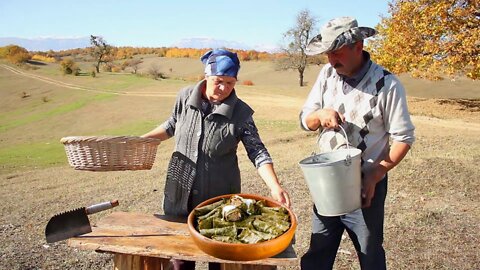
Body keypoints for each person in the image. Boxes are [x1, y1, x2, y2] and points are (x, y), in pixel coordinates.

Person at [142, 49, 291, 270]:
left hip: (220, 204)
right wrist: (140, 141)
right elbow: (171, 125)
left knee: (220, 261)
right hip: (180, 196)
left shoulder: (241, 114)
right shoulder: (184, 97)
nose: (224, 89)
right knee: (180, 260)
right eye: (218, 81)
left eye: (230, 83)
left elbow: (257, 151)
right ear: (206, 76)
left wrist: (275, 186)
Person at [299, 17, 415, 270]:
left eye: (337, 53)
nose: (331, 60)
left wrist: (376, 173)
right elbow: (305, 119)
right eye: (328, 54)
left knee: (369, 252)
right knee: (318, 253)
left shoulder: (387, 84)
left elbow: (404, 137)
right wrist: (319, 116)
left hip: (365, 185)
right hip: (327, 182)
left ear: (358, 45)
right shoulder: (327, 74)